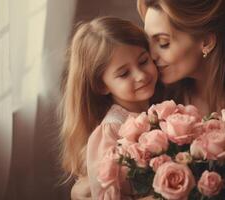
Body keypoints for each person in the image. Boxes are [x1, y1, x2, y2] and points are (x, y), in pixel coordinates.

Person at [71, 0, 225, 198]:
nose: (152, 57)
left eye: (164, 43)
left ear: (206, 41)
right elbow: (102, 174)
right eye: (149, 43)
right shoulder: (153, 93)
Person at [60, 16, 158, 199]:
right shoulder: (111, 131)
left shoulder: (162, 108)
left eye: (144, 61)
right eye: (123, 73)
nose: (140, 76)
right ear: (101, 86)